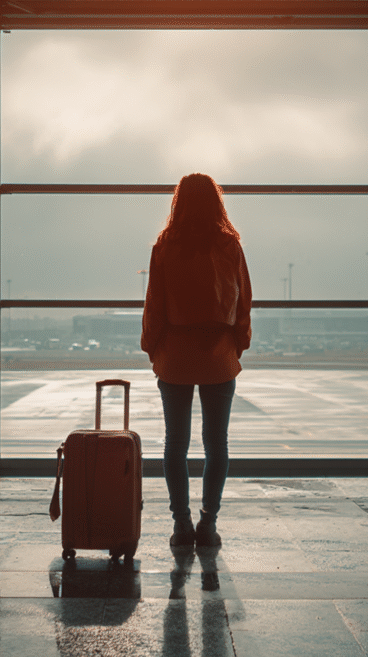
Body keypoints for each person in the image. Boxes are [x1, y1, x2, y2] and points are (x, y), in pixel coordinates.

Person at [141, 173, 252, 548]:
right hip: (219, 356)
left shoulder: (166, 246)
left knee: (176, 444)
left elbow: (154, 304)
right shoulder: (230, 246)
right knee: (216, 444)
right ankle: (209, 522)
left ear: (179, 203)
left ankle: (181, 524)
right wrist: (238, 345)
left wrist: (151, 347)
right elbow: (244, 301)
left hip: (176, 355)